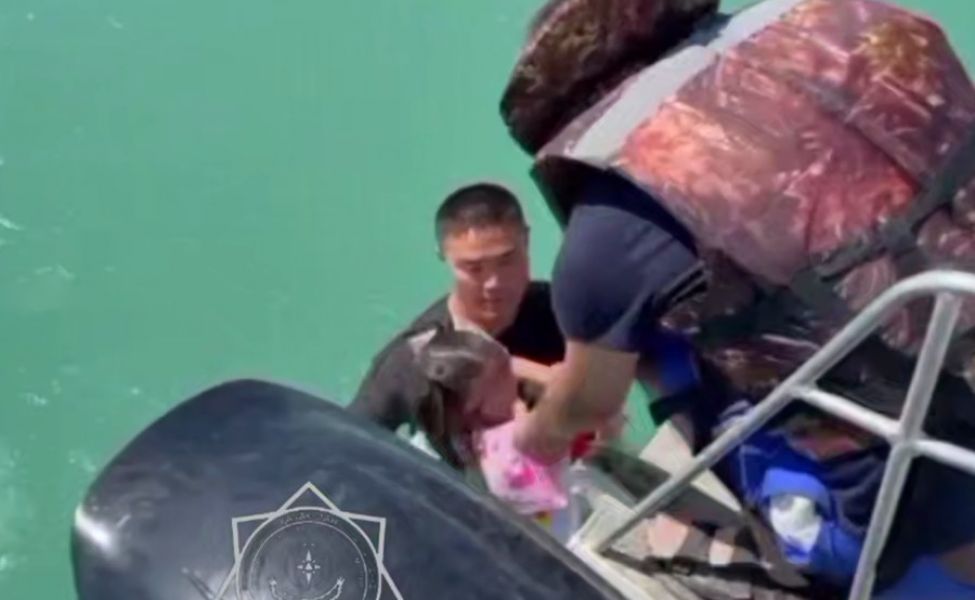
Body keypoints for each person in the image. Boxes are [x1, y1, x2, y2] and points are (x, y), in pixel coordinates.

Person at [502, 0, 975, 595]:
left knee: (662, 354)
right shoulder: (852, 23)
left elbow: (591, 405)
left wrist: (530, 439)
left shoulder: (615, 219)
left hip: (895, 467)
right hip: (956, 316)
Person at [349, 182, 565, 433]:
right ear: (444, 257)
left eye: (506, 261)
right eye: (474, 269)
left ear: (526, 241)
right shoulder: (414, 359)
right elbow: (349, 441)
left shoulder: (563, 311)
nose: (494, 283)